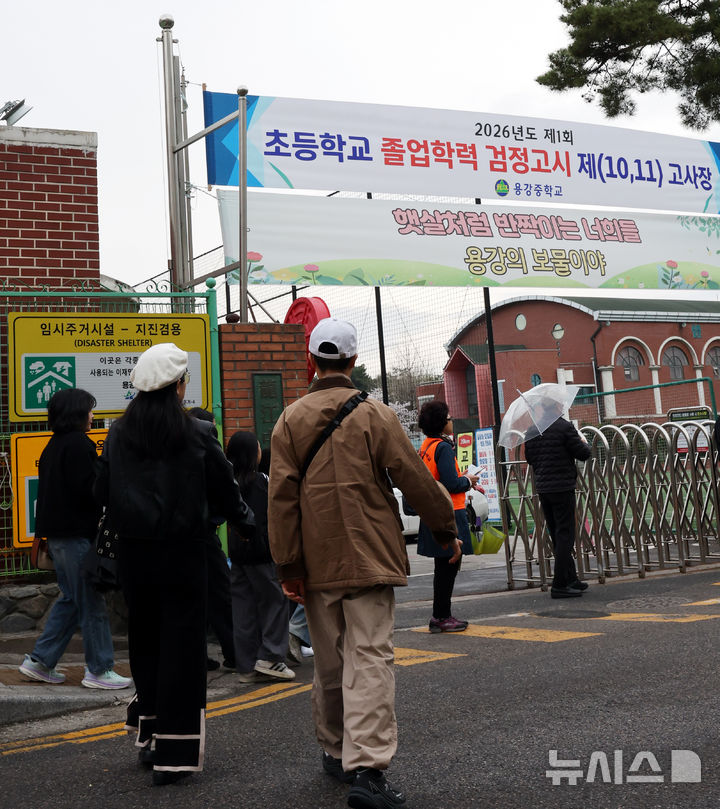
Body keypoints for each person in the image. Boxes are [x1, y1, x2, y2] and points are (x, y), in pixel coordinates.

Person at [268, 317, 457, 809]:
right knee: (369, 656)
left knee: (329, 659)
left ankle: (335, 749)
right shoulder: (376, 416)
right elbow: (415, 479)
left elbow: (281, 499)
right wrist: (445, 529)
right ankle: (368, 769)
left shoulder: (289, 420)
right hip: (369, 553)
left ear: (311, 362)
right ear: (352, 362)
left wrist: (288, 566)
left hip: (313, 559)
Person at [94, 343, 254, 786]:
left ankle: (149, 737)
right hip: (184, 553)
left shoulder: (118, 434)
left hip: (134, 555)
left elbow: (100, 493)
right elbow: (226, 490)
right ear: (179, 386)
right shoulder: (197, 433)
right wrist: (245, 524)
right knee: (183, 649)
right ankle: (174, 753)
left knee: (145, 641)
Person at [19, 388, 132, 691]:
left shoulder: (53, 446)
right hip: (75, 537)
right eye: (90, 410)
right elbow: (92, 492)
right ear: (77, 413)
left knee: (72, 599)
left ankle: (40, 661)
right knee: (91, 601)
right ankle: (99, 669)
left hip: (56, 537)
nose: (93, 416)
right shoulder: (80, 446)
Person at [225, 430, 294, 683]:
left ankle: (246, 666)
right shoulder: (264, 480)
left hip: (238, 553)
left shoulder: (228, 481)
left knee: (243, 610)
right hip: (263, 553)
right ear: (253, 453)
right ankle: (272, 657)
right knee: (275, 603)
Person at [416, 400, 480, 633]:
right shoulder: (443, 447)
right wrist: (467, 481)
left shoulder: (427, 445)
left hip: (434, 511)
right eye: (449, 418)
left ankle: (440, 614)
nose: (452, 421)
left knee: (442, 566)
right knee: (449, 564)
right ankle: (441, 615)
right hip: (450, 511)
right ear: (442, 423)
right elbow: (451, 484)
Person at [523, 402, 591, 598]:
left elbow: (530, 458)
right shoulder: (564, 427)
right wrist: (583, 441)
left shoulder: (532, 429)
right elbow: (583, 453)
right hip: (562, 487)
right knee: (565, 535)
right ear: (555, 407)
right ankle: (560, 584)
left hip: (544, 488)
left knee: (557, 533)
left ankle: (571, 578)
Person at [188, 407, 236, 672]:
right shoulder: (205, 448)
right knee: (220, 593)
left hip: (175, 537)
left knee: (193, 599)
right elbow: (226, 487)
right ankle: (233, 652)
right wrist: (242, 521)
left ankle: (197, 656)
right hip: (203, 534)